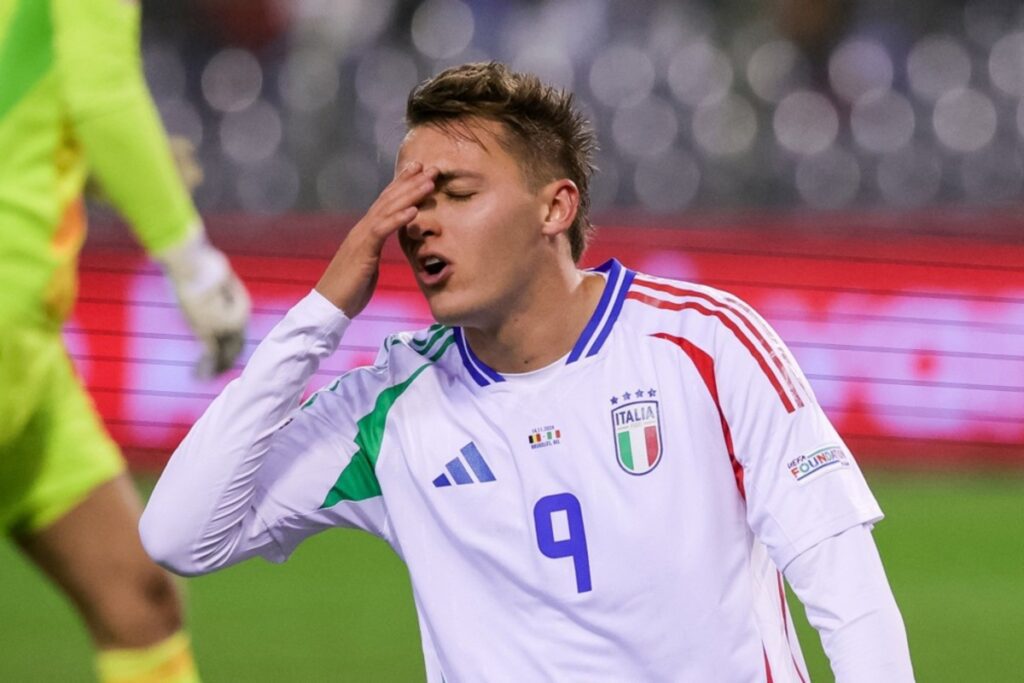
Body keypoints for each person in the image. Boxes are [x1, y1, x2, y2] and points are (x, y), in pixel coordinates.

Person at [140, 62, 914, 682]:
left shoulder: (704, 345)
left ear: (555, 208)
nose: (418, 223)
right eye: (406, 201)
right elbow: (180, 534)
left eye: (454, 193)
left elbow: (845, 585)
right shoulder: (391, 409)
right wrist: (321, 311)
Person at [0, 0, 250, 681]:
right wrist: (194, 265)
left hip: (27, 355)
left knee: (138, 601)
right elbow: (102, 88)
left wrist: (109, 160)